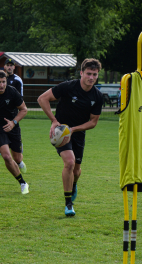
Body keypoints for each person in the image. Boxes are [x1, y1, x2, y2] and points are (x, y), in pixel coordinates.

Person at [37, 58, 104, 216]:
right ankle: (68, 204)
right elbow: (42, 99)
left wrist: (73, 129)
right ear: (81, 73)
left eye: (95, 74)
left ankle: (73, 185)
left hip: (77, 134)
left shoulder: (97, 96)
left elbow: (93, 122)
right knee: (69, 162)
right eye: (88, 73)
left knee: (77, 170)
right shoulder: (68, 87)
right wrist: (54, 121)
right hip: (61, 133)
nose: (91, 77)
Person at [4, 58, 27, 173]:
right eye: (7, 65)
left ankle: (18, 157)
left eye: (11, 65)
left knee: (16, 155)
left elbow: (20, 98)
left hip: (13, 114)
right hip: (0, 115)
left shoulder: (17, 80)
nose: (9, 67)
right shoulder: (1, 79)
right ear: (4, 67)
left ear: (14, 67)